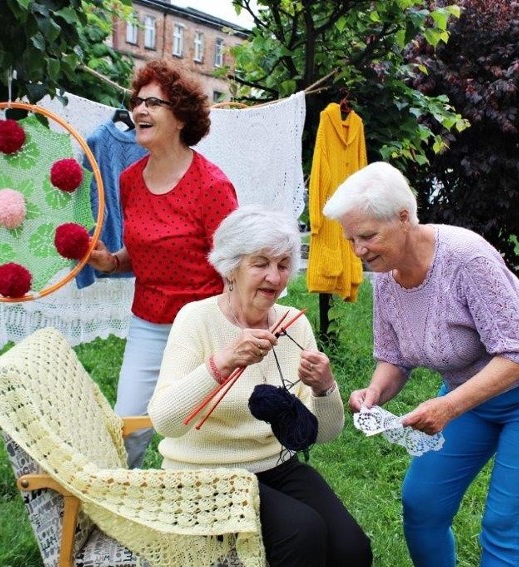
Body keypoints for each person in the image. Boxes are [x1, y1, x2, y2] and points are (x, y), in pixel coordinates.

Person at [322, 161, 519, 567]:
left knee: (504, 523)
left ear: (404, 218)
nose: (358, 250)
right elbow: (393, 357)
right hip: (472, 392)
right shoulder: (387, 276)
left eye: (368, 236)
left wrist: (448, 406)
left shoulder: (465, 259)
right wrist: (375, 391)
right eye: (351, 238)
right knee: (422, 504)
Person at [148, 205, 373, 567]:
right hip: (206, 475)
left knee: (352, 548)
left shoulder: (293, 325)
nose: (274, 276)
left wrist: (325, 389)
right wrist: (222, 362)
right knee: (303, 532)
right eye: (260, 263)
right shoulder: (196, 320)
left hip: (275, 464)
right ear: (230, 267)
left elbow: (322, 435)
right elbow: (164, 420)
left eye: (283, 265)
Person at [88, 58, 238, 468]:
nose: (139, 110)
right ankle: (114, 512)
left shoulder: (213, 186)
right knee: (129, 425)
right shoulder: (130, 180)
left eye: (153, 103)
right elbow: (141, 253)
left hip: (205, 325)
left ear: (181, 118)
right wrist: (110, 261)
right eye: (137, 101)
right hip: (149, 323)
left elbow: (235, 270)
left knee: (205, 431)